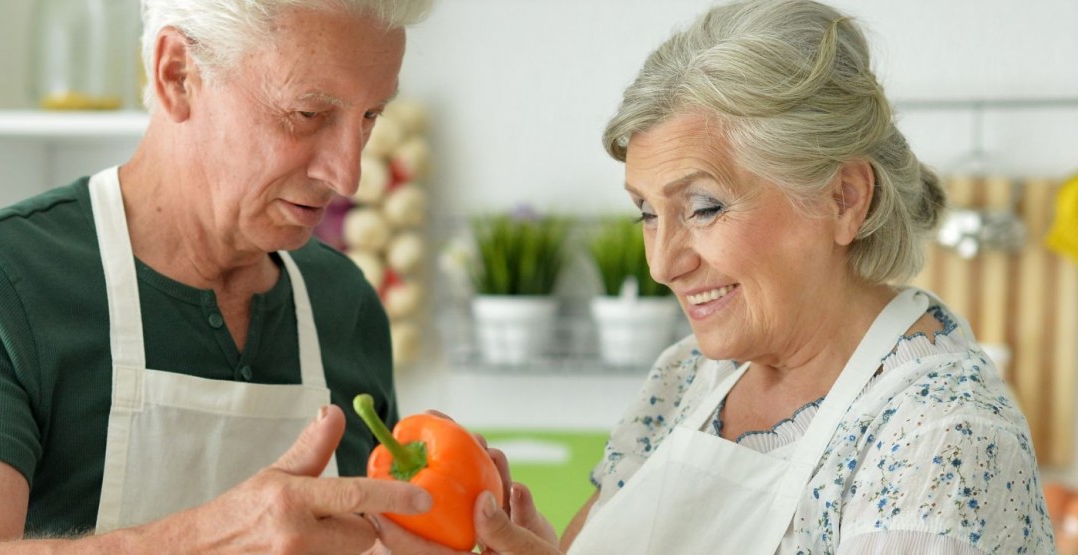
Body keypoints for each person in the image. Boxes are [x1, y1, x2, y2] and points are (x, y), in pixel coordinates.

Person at [377, 1, 1056, 554]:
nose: (662, 262)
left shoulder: (940, 437)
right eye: (647, 212)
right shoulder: (689, 379)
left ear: (844, 198)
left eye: (704, 207)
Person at [0, 0, 438, 552]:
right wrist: (205, 540)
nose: (347, 174)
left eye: (370, 116)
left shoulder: (345, 303)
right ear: (177, 73)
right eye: (308, 114)